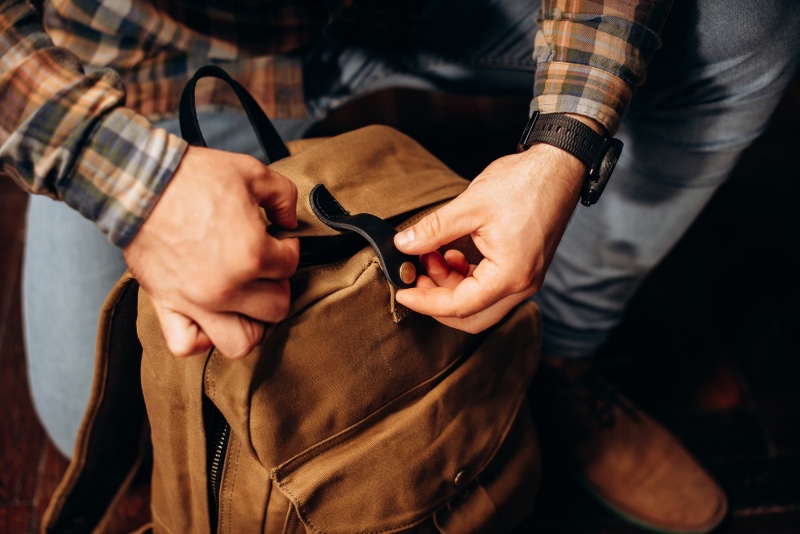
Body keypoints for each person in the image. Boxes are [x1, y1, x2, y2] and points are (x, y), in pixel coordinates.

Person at [1, 0, 798, 532]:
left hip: (440, 10)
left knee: (739, 22)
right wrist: (130, 182)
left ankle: (560, 346)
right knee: (93, 409)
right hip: (159, 57)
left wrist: (567, 139)